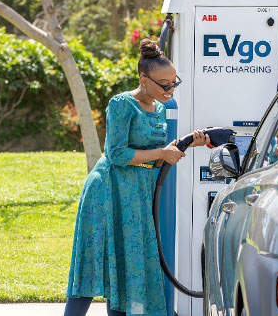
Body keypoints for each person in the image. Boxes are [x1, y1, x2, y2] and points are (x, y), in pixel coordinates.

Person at [64, 39, 210, 316]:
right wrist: (162, 153)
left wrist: (189, 143)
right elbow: (117, 153)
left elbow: (155, 155)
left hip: (139, 191)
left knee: (130, 265)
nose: (170, 89)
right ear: (144, 79)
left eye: (173, 83)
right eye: (163, 83)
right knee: (94, 262)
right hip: (110, 190)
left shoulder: (162, 109)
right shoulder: (122, 104)